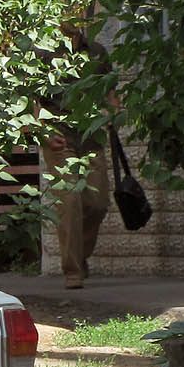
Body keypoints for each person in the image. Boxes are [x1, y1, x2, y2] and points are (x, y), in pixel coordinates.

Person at [38, 24, 113, 290]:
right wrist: (43, 133)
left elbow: (111, 93)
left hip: (91, 137)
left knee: (97, 202)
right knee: (69, 201)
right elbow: (29, 101)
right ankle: (73, 271)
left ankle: (79, 256)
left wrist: (111, 113)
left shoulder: (96, 52)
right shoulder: (43, 52)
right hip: (58, 138)